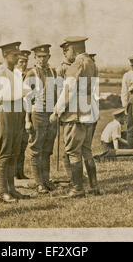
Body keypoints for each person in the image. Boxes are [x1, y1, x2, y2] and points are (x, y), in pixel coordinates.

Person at [50, 36, 100, 198]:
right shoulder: (92, 63)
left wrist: (57, 111)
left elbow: (68, 90)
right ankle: (93, 186)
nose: (66, 53)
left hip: (74, 114)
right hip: (88, 112)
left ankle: (77, 188)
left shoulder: (76, 65)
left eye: (68, 49)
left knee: (72, 151)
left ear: (74, 48)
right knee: (86, 150)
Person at [0, 42, 30, 203]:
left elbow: (23, 92)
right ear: (5, 55)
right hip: (6, 110)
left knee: (15, 151)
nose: (17, 57)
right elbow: (4, 94)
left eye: (17, 54)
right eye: (14, 55)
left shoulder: (16, 73)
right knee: (6, 152)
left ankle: (12, 189)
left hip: (17, 110)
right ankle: (3, 192)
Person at [24, 44, 58, 194]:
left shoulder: (53, 72)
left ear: (49, 57)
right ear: (35, 58)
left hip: (51, 113)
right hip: (37, 113)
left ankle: (46, 179)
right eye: (39, 57)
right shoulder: (31, 73)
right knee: (36, 148)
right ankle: (39, 183)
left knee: (48, 148)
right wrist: (27, 119)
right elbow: (26, 98)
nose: (42, 59)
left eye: (45, 56)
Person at [56, 41, 75, 185]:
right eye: (71, 52)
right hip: (66, 109)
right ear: (65, 53)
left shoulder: (77, 65)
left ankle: (76, 175)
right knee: (68, 145)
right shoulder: (61, 69)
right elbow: (59, 91)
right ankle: (71, 175)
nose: (73, 54)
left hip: (76, 109)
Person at [14, 50, 31, 179]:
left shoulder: (29, 76)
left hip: (26, 112)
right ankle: (13, 173)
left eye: (26, 61)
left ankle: (20, 173)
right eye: (21, 61)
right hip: (14, 113)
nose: (24, 64)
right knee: (14, 144)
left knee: (23, 143)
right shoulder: (12, 76)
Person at [120, 65, 133, 149]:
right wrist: (125, 106)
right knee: (132, 126)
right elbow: (124, 91)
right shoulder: (128, 75)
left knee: (132, 126)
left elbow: (124, 91)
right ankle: (131, 148)